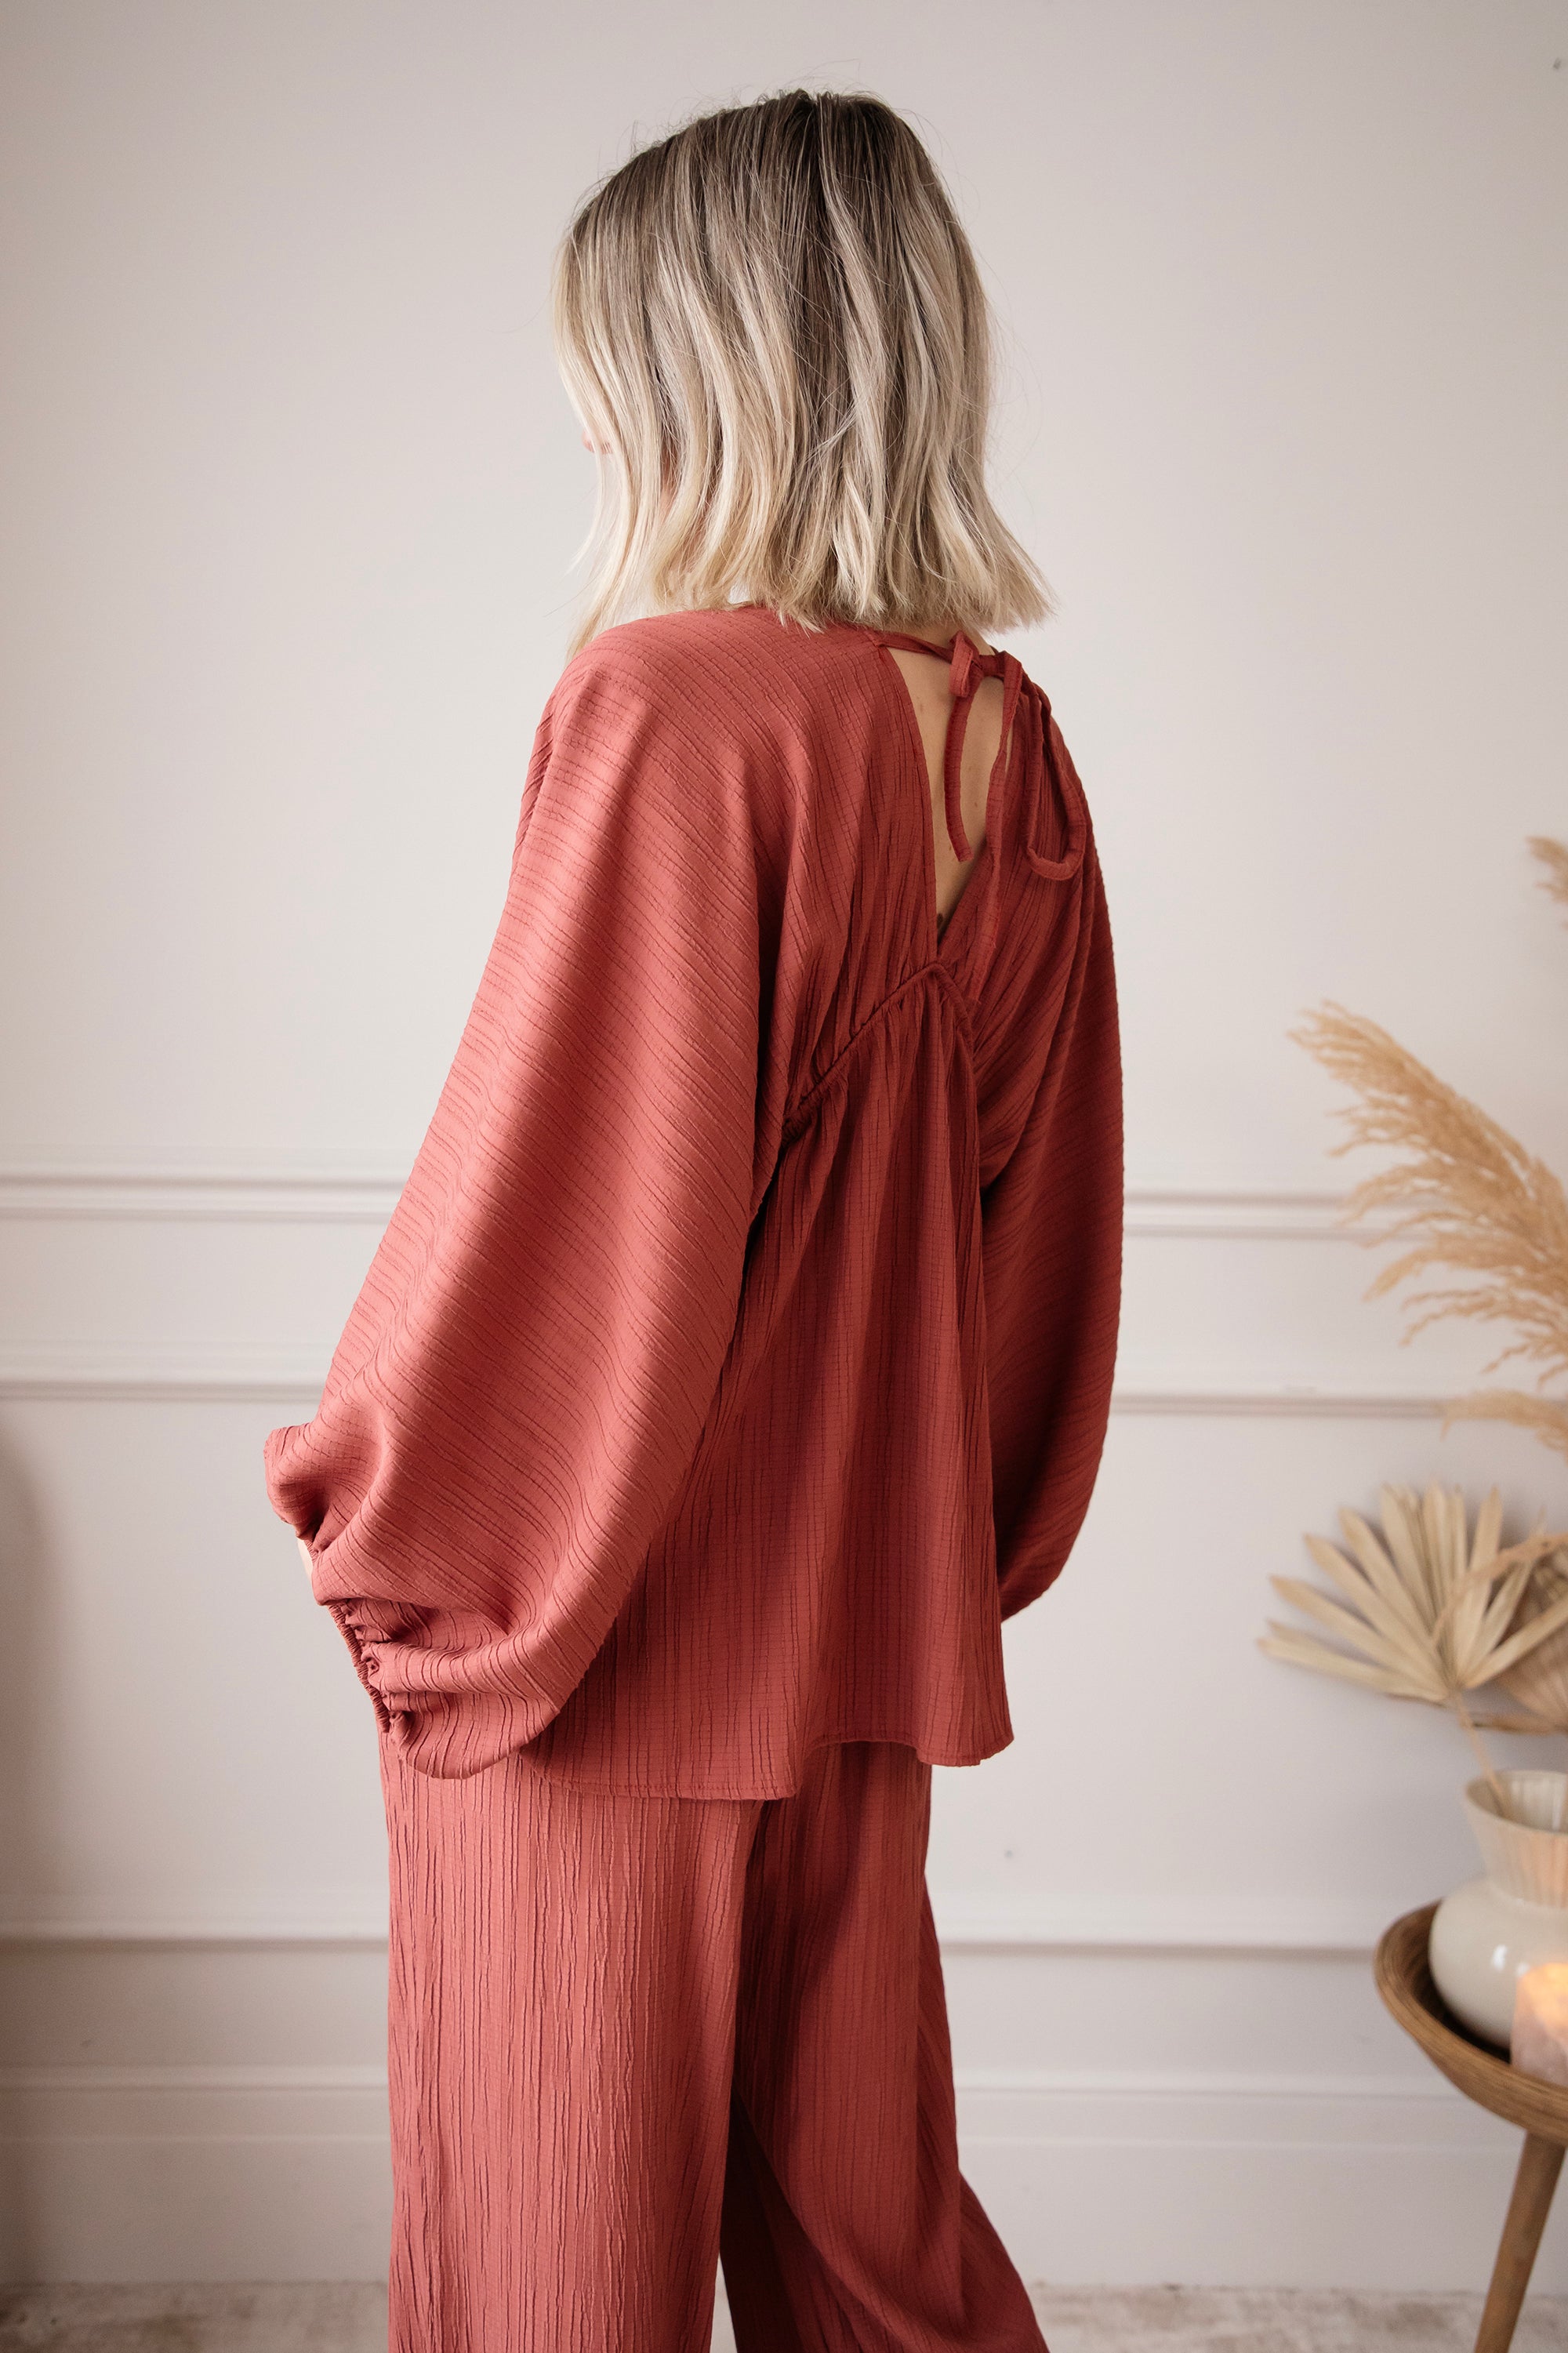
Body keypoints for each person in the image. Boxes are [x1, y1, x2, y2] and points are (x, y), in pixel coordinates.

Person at [263, 85, 1123, 2353]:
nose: (589, 428)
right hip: (858, 1642)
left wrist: (386, 1524)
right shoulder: (1007, 749)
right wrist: (937, 1553)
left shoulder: (669, 707)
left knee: (555, 2288)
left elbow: (563, 1195)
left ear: (700, 369)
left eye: (605, 375)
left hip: (604, 1664)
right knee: (880, 2274)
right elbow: (1035, 1242)